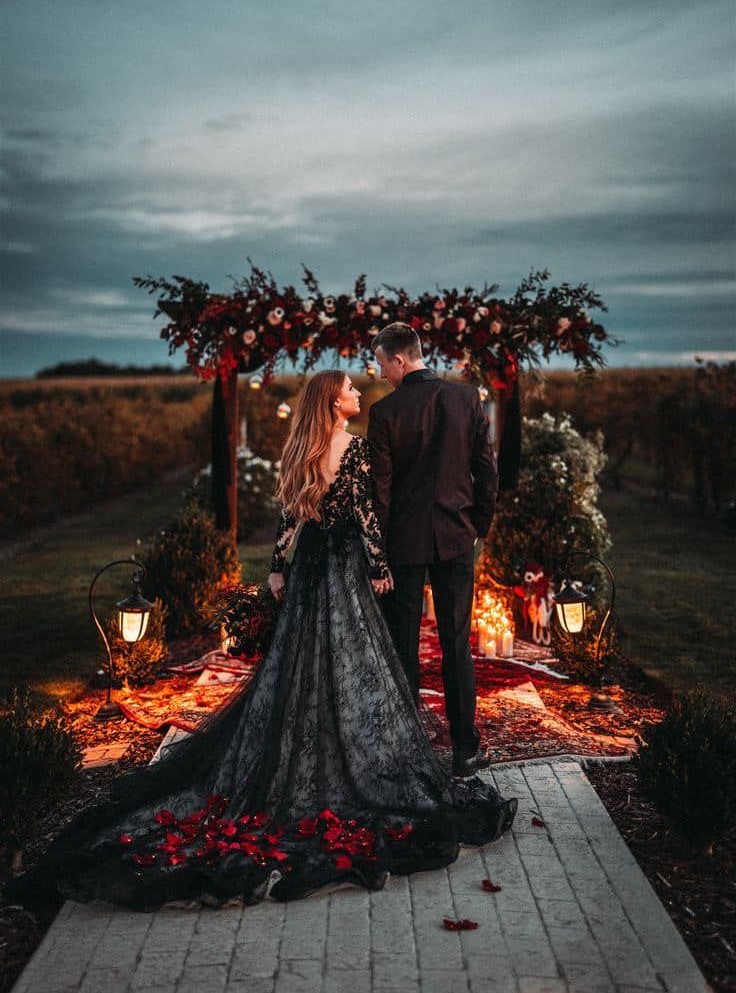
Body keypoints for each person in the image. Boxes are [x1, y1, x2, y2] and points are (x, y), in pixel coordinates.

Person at [7, 370, 516, 912]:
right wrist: (379, 565)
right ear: (334, 402)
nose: (357, 393)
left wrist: (278, 569)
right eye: (349, 389)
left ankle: (308, 734)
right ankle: (353, 744)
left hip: (307, 568)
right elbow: (367, 518)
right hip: (343, 565)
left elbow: (290, 516)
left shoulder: (300, 449)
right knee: (353, 658)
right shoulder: (357, 449)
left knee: (297, 661)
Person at [368, 323, 496, 777]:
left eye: (382, 363)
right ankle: (465, 748)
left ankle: (409, 750)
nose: (380, 372)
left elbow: (380, 492)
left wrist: (377, 553)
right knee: (456, 642)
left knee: (403, 645)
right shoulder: (467, 399)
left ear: (400, 360)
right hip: (458, 537)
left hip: (404, 543)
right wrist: (477, 524)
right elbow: (486, 469)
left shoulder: (384, 413)